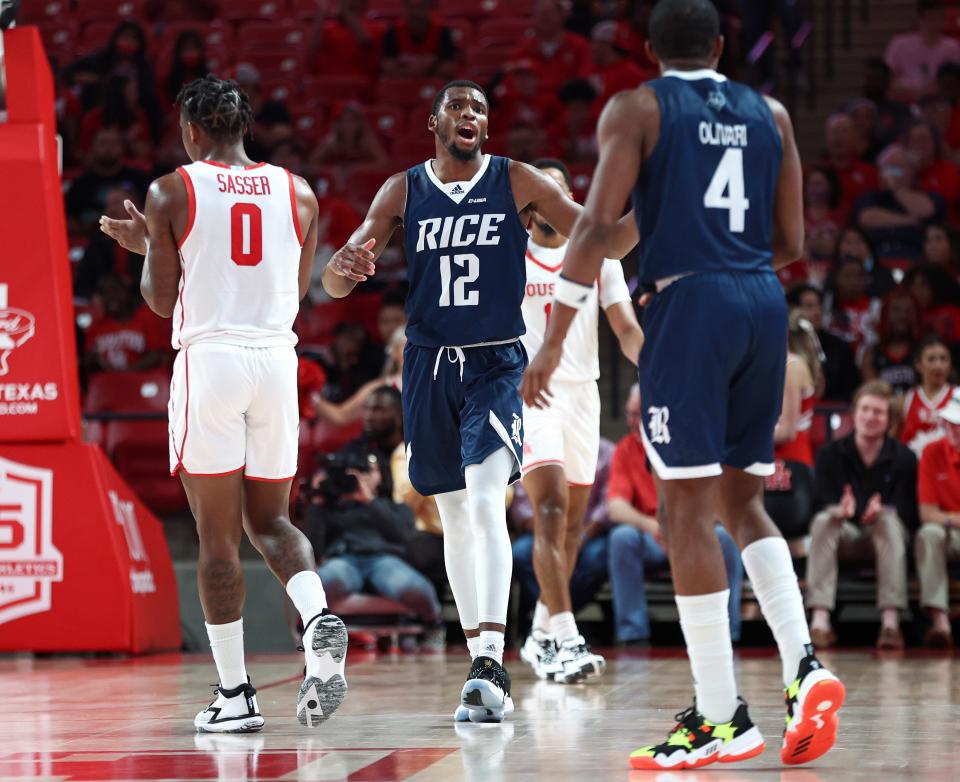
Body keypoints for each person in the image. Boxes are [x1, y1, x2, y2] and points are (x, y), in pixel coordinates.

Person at [521, 0, 844, 769]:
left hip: (690, 304)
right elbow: (794, 241)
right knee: (743, 501)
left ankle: (721, 715)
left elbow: (596, 232)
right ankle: (804, 667)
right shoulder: (769, 111)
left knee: (686, 510)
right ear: (724, 46)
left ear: (647, 49)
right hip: (764, 299)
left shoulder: (637, 107)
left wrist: (556, 338)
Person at [321, 79, 639, 724]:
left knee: (489, 496)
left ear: (486, 130)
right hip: (429, 365)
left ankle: (490, 661)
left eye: (481, 110)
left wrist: (658, 209)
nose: (470, 116)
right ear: (434, 120)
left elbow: (601, 240)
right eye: (459, 107)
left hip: (496, 361)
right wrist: (343, 269)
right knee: (456, 514)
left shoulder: (517, 179)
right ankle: (480, 656)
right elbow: (331, 284)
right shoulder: (402, 189)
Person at [97, 75, 346, 732]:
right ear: (245, 127)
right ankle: (319, 616)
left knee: (217, 539)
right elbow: (295, 291)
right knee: (272, 523)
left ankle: (235, 696)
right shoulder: (300, 192)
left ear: (191, 130)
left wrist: (145, 247)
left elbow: (160, 298)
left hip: (211, 360)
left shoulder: (170, 189)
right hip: (276, 358)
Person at [516, 158, 643, 684]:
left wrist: (660, 369)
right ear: (530, 208)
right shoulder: (509, 257)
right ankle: (567, 636)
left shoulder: (598, 257)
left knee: (571, 525)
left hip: (583, 396)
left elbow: (627, 329)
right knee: (548, 508)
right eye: (543, 192)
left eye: (561, 191)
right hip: (530, 392)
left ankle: (541, 633)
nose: (553, 200)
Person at [607, 384, 743, 644]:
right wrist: (651, 526)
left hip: (694, 533)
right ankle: (633, 633)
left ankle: (728, 631)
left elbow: (719, 503)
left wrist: (686, 527)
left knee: (725, 538)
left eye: (638, 415)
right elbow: (615, 507)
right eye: (629, 414)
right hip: (652, 535)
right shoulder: (626, 448)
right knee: (621, 538)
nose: (631, 422)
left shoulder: (690, 439)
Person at [806, 381, 917, 650]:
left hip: (884, 536)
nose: (870, 417)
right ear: (854, 413)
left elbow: (911, 514)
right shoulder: (831, 454)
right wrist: (839, 510)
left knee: (889, 522)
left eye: (878, 412)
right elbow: (819, 501)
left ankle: (890, 624)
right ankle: (820, 620)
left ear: (889, 420)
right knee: (824, 520)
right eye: (865, 409)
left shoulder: (904, 457)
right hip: (846, 534)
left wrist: (884, 510)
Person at [304, 448, 446, 650]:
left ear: (380, 474)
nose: (362, 478)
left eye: (367, 472)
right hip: (344, 560)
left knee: (416, 588)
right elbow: (313, 549)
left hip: (384, 560)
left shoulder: (395, 506)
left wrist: (369, 500)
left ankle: (434, 625)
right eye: (356, 473)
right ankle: (312, 633)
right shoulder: (328, 508)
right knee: (319, 583)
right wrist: (317, 500)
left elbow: (405, 537)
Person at [511, 439, 615, 651]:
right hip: (542, 532)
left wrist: (581, 535)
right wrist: (550, 534)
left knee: (599, 556)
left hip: (588, 534)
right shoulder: (531, 440)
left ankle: (547, 626)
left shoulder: (607, 451)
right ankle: (563, 627)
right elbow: (522, 507)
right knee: (521, 552)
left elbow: (608, 503)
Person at [914, 387, 960, 647]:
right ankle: (940, 622)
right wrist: (953, 520)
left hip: (948, 521)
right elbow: (927, 513)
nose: (952, 430)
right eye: (949, 423)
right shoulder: (932, 452)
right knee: (928, 534)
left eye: (959, 425)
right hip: (947, 530)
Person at [787, 284, 860, 402]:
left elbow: (852, 391)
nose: (817, 312)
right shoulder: (783, 348)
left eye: (819, 305)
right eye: (809, 306)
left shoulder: (840, 347)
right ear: (793, 310)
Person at [83, 273, 168, 373]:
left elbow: (158, 354)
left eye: (115, 291)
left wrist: (127, 373)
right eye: (105, 293)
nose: (110, 297)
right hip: (108, 384)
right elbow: (87, 361)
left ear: (126, 291)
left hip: (142, 381)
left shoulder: (146, 317)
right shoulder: (97, 326)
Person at [885, 0, 960, 99]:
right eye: (931, 19)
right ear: (919, 20)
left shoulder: (952, 47)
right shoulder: (899, 44)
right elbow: (886, 77)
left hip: (939, 100)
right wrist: (913, 91)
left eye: (940, 18)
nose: (936, 23)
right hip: (905, 98)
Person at [899, 334, 955, 456]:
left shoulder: (958, 396)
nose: (938, 365)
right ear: (918, 365)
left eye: (943, 359)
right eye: (931, 359)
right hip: (913, 469)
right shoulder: (904, 400)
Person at [861, 288, 922, 394]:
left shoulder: (924, 350)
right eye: (896, 310)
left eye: (908, 311)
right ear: (885, 314)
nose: (903, 316)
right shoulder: (871, 353)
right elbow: (872, 389)